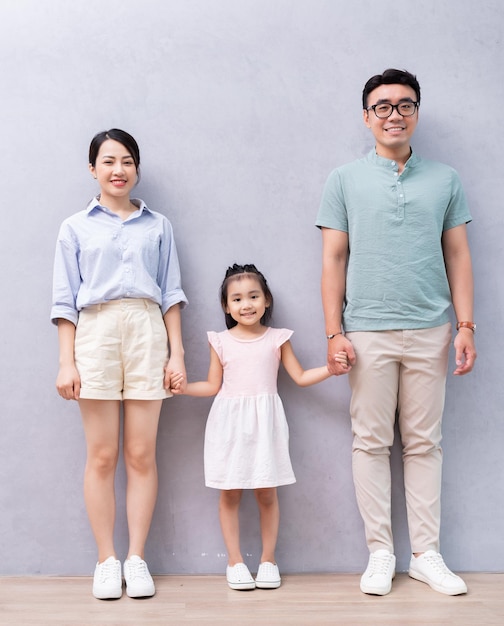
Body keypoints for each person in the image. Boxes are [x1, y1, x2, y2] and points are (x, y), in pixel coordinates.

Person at [316, 69, 476, 596]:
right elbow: (334, 258)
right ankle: (380, 553)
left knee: (425, 443)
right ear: (366, 117)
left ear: (416, 113)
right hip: (365, 331)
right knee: (370, 442)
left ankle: (426, 555)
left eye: (404, 105)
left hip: (432, 328)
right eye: (382, 106)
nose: (394, 114)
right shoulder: (343, 179)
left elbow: (457, 254)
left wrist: (465, 324)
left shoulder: (446, 179)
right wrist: (334, 331)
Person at [51, 129, 187, 600]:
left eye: (127, 161)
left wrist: (178, 354)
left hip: (148, 331)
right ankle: (107, 560)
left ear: (137, 168)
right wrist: (66, 362)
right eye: (108, 161)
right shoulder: (74, 227)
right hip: (96, 333)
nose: (118, 169)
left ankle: (137, 558)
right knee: (103, 455)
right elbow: (65, 301)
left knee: (141, 454)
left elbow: (171, 293)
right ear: (93, 169)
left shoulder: (158, 226)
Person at [170, 263, 347, 590]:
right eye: (236, 299)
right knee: (230, 491)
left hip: (266, 422)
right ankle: (235, 561)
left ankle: (268, 559)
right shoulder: (220, 341)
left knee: (267, 491)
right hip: (229, 424)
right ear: (226, 306)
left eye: (253, 296)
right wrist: (180, 388)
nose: (246, 304)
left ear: (267, 301)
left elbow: (301, 377)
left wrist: (330, 369)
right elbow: (212, 385)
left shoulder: (278, 339)